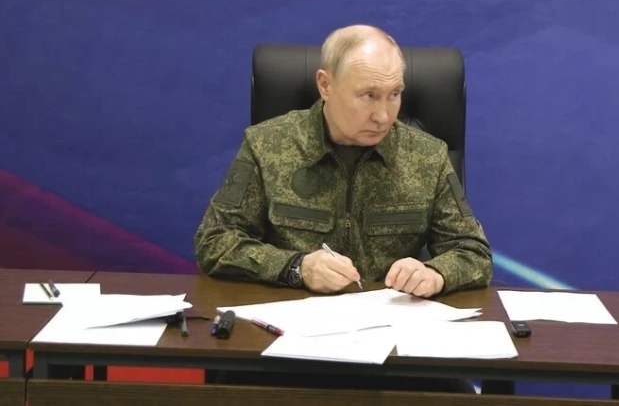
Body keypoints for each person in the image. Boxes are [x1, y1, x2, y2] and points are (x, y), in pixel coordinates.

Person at [193, 24, 492, 393]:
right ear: (325, 85)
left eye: (395, 94)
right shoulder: (267, 146)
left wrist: (435, 273)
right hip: (287, 349)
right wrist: (296, 267)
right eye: (369, 96)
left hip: (394, 352)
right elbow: (214, 240)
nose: (384, 115)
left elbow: (473, 252)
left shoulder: (427, 156)